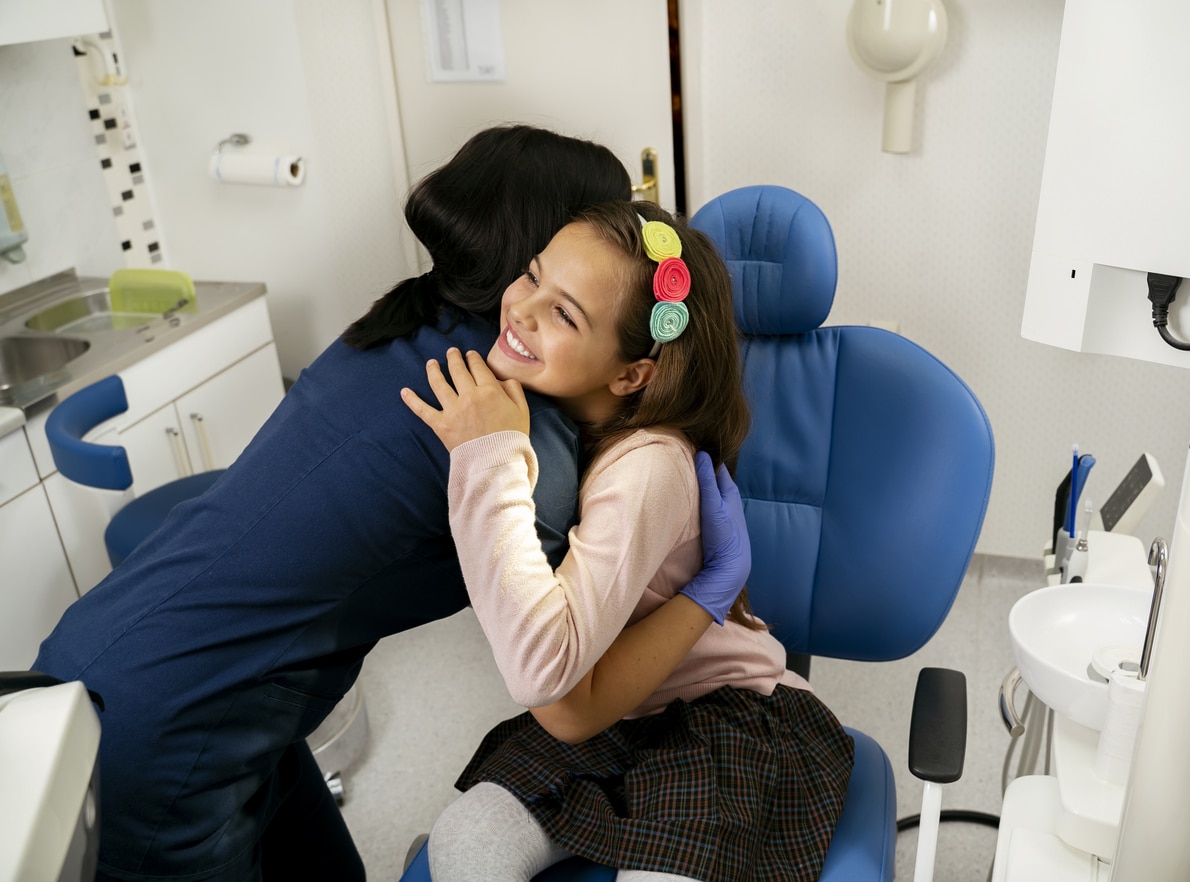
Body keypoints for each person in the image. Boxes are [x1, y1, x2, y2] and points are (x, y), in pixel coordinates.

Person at [30, 126, 749, 882]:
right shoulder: (508, 436)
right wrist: (711, 588)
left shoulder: (397, 324)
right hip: (169, 733)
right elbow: (563, 696)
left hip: (130, 662)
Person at [403, 200, 856, 882]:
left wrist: (488, 456)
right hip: (617, 711)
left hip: (722, 712)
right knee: (467, 842)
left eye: (564, 314)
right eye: (532, 276)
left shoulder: (648, 464)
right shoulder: (557, 415)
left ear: (630, 374)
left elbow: (541, 675)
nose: (522, 310)